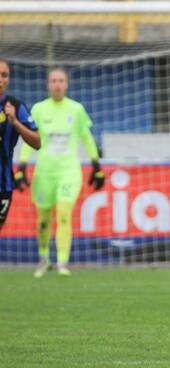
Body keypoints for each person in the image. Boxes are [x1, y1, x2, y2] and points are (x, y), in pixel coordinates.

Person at [14, 68, 105, 278]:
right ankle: (44, 258)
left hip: (68, 171)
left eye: (61, 80)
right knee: (44, 219)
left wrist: (96, 165)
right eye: (53, 80)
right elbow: (30, 140)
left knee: (64, 213)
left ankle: (63, 261)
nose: (57, 84)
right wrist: (22, 166)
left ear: (67, 84)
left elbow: (87, 137)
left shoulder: (76, 109)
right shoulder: (38, 109)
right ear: (48, 84)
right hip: (44, 172)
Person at [0, 58, 41, 231]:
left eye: (4, 75)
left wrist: (15, 122)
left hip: (3, 184)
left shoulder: (16, 106)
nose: (0, 79)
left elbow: (37, 142)